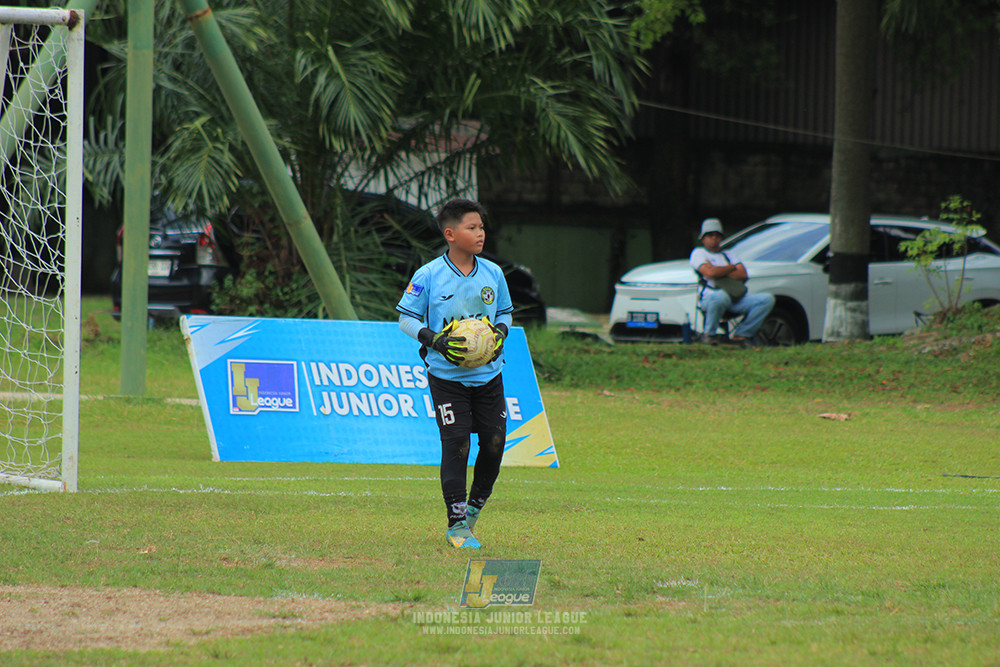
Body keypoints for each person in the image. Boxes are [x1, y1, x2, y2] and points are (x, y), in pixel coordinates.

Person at [396, 198, 513, 549]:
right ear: (451, 234)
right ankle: (456, 524)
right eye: (472, 227)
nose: (481, 233)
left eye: (481, 227)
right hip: (447, 378)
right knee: (457, 443)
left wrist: (499, 336)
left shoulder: (493, 273)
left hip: (489, 376)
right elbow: (405, 318)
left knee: (494, 444)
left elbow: (505, 313)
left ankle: (474, 510)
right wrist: (435, 341)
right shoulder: (429, 275)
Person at [690, 218, 775, 347]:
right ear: (703, 238)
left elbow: (743, 274)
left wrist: (716, 269)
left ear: (721, 238)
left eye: (717, 236)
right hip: (710, 298)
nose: (714, 239)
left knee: (766, 299)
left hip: (734, 299)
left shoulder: (729, 254)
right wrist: (730, 268)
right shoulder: (698, 253)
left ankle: (742, 334)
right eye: (710, 235)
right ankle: (709, 334)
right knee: (720, 296)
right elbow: (710, 273)